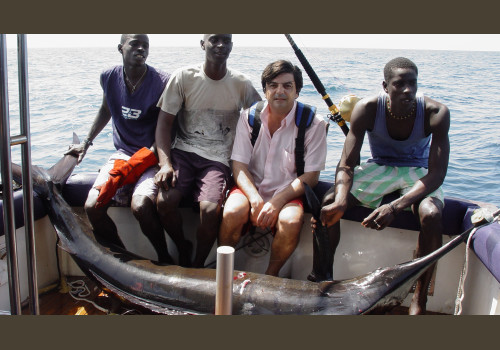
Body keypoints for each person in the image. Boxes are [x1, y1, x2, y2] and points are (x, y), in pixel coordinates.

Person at [314, 57, 450, 314]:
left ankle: (419, 300)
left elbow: (437, 174)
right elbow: (346, 163)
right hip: (379, 166)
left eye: (412, 83)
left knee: (432, 215)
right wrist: (342, 197)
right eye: (399, 84)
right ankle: (323, 280)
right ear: (385, 86)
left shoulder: (436, 113)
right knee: (329, 201)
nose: (408, 90)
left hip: (418, 172)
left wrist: (394, 207)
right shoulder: (367, 108)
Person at [154, 34, 261, 268]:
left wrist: (307, 121)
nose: (220, 45)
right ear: (203, 44)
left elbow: (264, 114)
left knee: (210, 210)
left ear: (232, 46)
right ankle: (183, 246)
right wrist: (165, 164)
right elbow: (163, 124)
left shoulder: (241, 83)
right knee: (164, 202)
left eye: (226, 40)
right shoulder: (183, 77)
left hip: (219, 159)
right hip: (183, 152)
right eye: (214, 40)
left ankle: (197, 265)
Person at [66, 34, 173, 263]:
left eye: (145, 45)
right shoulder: (108, 77)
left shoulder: (163, 81)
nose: (141, 49)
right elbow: (106, 109)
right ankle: (121, 259)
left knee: (141, 206)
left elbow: (168, 129)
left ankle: (164, 258)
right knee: (93, 206)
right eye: (135, 44)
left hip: (152, 155)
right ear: (120, 48)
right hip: (123, 153)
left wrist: (139, 164)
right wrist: (86, 142)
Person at [219, 60, 327, 276]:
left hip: (288, 192)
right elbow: (239, 165)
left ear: (297, 92)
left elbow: (312, 176)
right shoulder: (248, 117)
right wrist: (255, 199)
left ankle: (270, 276)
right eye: (273, 85)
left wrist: (277, 201)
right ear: (265, 90)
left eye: (288, 86)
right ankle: (224, 273)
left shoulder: (314, 123)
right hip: (251, 185)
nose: (280, 91)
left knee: (291, 221)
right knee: (232, 212)